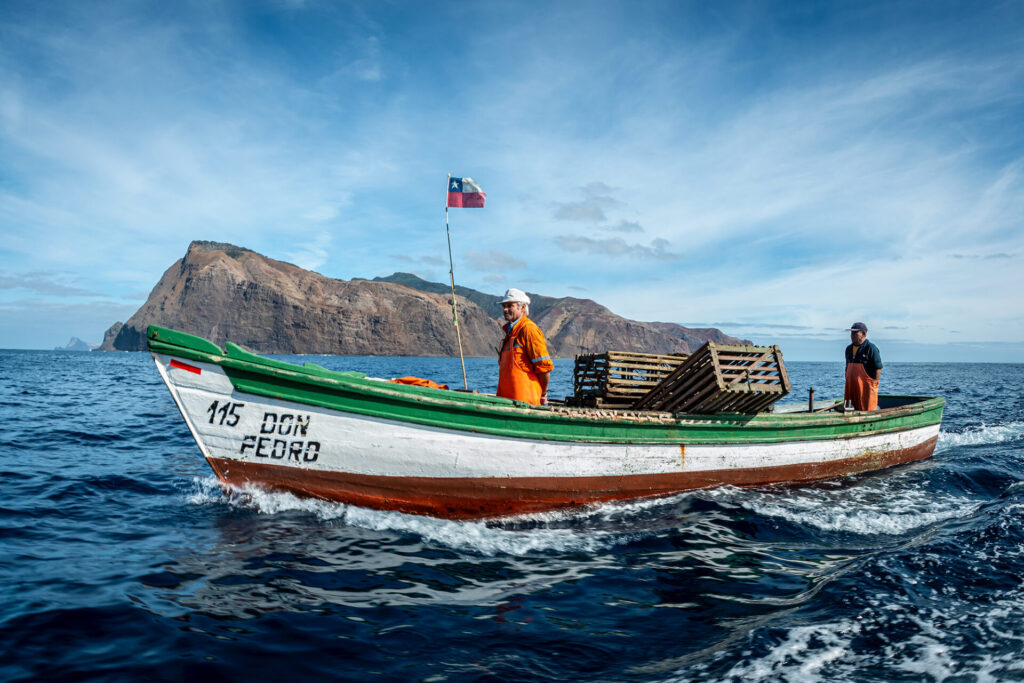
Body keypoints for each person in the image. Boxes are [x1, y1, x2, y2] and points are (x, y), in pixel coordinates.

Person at [496, 288, 554, 405]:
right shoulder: (510, 333)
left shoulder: (528, 330)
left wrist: (543, 394)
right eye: (504, 306)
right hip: (507, 402)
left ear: (522, 308)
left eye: (510, 305)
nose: (505, 310)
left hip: (526, 403)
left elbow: (544, 367)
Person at [844, 322, 882, 411]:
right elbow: (847, 367)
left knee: (867, 408)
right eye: (851, 333)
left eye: (855, 333)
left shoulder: (871, 348)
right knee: (849, 407)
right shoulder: (848, 349)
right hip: (851, 385)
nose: (852, 335)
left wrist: (873, 384)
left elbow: (878, 368)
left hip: (866, 387)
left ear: (863, 334)